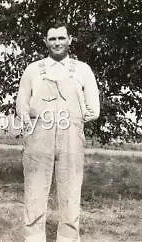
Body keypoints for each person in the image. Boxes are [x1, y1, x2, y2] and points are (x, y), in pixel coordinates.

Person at [16, 21, 100, 242]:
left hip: (71, 135)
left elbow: (94, 110)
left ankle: (68, 238)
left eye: (61, 38)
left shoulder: (83, 70)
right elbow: (21, 105)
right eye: (52, 39)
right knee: (34, 191)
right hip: (38, 136)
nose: (57, 43)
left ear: (70, 40)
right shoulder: (33, 69)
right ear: (45, 42)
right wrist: (32, 124)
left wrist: (73, 120)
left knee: (71, 192)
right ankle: (34, 238)